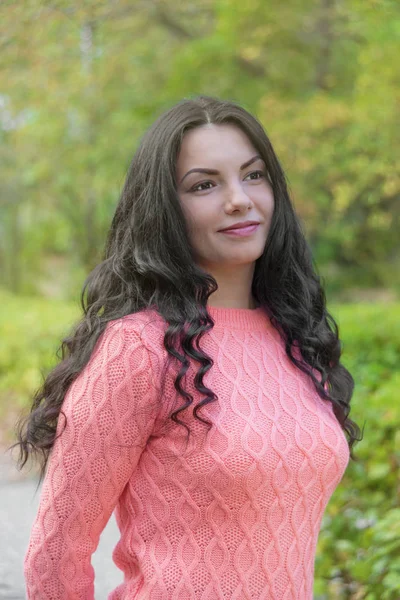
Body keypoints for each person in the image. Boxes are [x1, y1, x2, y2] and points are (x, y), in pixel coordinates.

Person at [11, 95, 362, 599]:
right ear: (165, 208)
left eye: (254, 175)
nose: (238, 199)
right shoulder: (138, 349)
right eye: (204, 185)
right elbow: (55, 553)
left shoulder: (297, 338)